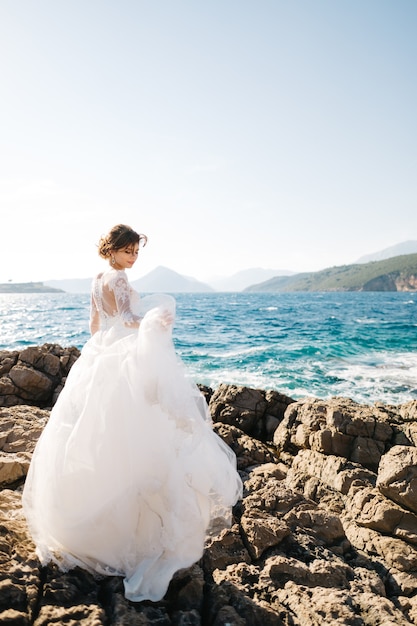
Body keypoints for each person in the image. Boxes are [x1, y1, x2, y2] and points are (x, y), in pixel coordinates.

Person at [22, 224, 243, 602]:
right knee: (133, 436)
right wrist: (155, 321)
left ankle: (88, 522)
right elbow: (127, 318)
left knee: (97, 434)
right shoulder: (118, 278)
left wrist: (103, 351)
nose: (133, 258)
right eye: (128, 251)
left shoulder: (95, 280)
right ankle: (129, 533)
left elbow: (95, 325)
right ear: (112, 249)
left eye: (137, 252)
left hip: (99, 356)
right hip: (121, 357)